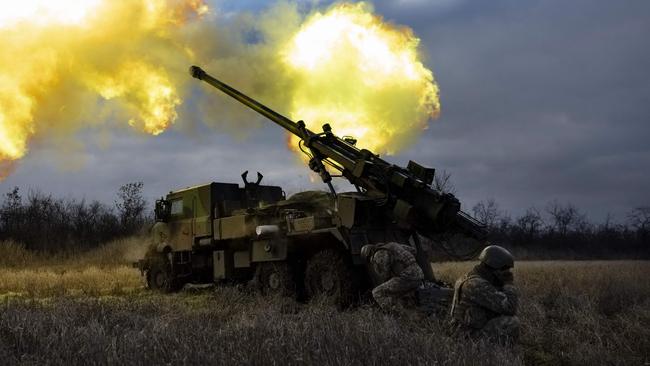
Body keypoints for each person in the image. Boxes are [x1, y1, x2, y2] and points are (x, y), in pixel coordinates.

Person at [450, 245, 520, 343]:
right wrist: (508, 283)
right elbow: (510, 307)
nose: (507, 272)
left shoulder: (467, 277)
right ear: (496, 268)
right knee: (512, 322)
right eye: (505, 269)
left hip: (460, 331)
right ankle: (497, 351)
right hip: (466, 337)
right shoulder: (477, 285)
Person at [360, 242, 424, 312]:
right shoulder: (392, 245)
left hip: (407, 277)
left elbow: (385, 275)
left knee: (377, 292)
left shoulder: (378, 254)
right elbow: (413, 250)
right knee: (396, 290)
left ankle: (395, 313)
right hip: (419, 273)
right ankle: (409, 309)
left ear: (369, 253)